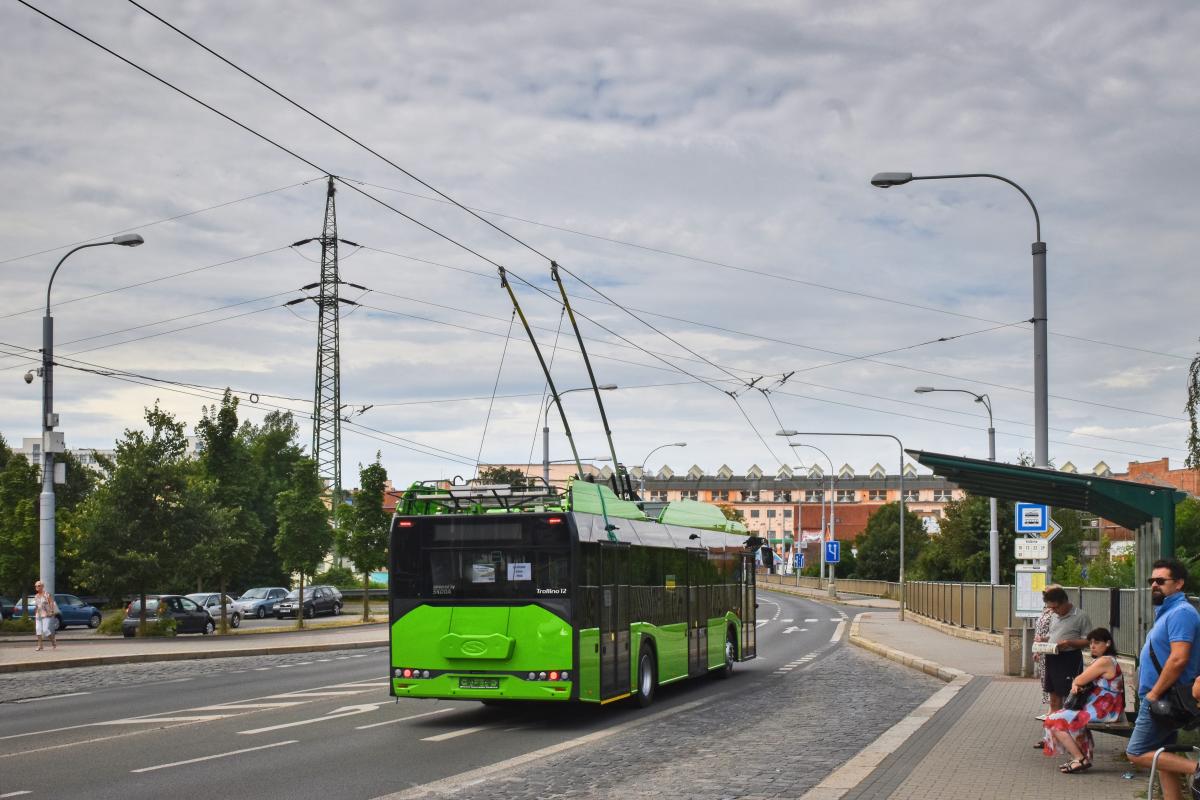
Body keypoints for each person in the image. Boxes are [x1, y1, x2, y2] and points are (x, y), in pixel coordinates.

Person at [1125, 559, 1200, 800]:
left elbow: (1178, 659)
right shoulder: (1168, 612)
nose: (1154, 585)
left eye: (1161, 581)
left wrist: (1154, 692)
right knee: (1162, 756)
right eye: (1151, 581)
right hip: (1161, 696)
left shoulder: (1181, 613)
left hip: (1164, 697)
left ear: (1178, 584)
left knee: (1136, 752)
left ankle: (1197, 770)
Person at [1042, 627, 1125, 773]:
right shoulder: (1107, 660)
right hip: (1104, 707)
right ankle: (1080, 758)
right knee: (1061, 718)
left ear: (1108, 643)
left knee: (1053, 720)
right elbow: (1082, 680)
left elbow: (1080, 679)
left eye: (1097, 642)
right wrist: (1077, 683)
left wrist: (1075, 683)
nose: (1092, 646)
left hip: (1104, 710)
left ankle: (1080, 758)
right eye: (1091, 642)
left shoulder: (1104, 661)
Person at [1042, 586, 1092, 714]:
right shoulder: (1053, 615)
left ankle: (1067, 730)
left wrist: (1069, 643)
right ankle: (1053, 732)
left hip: (1069, 659)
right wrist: (1043, 640)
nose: (1053, 611)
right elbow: (1053, 634)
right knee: (1053, 698)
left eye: (1055, 607)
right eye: (1050, 608)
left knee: (1069, 699)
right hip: (1052, 658)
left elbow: (1088, 641)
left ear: (1065, 602)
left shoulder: (1081, 616)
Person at [1032, 586, 1061, 727]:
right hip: (1042, 648)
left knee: (1051, 680)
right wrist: (1036, 649)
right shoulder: (1047, 610)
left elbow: (1054, 632)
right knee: (1045, 678)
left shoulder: (1056, 612)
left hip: (1050, 648)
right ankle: (1050, 708)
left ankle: (1053, 709)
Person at [32, 580, 58, 651]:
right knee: (38, 629)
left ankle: (53, 641)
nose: (37, 587)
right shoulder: (36, 596)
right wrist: (35, 614)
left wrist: (52, 611)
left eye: (39, 585)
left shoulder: (47, 594)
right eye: (36, 586)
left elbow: (52, 603)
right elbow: (37, 606)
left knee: (45, 630)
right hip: (38, 615)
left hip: (46, 614)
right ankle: (40, 645)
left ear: (42, 586)